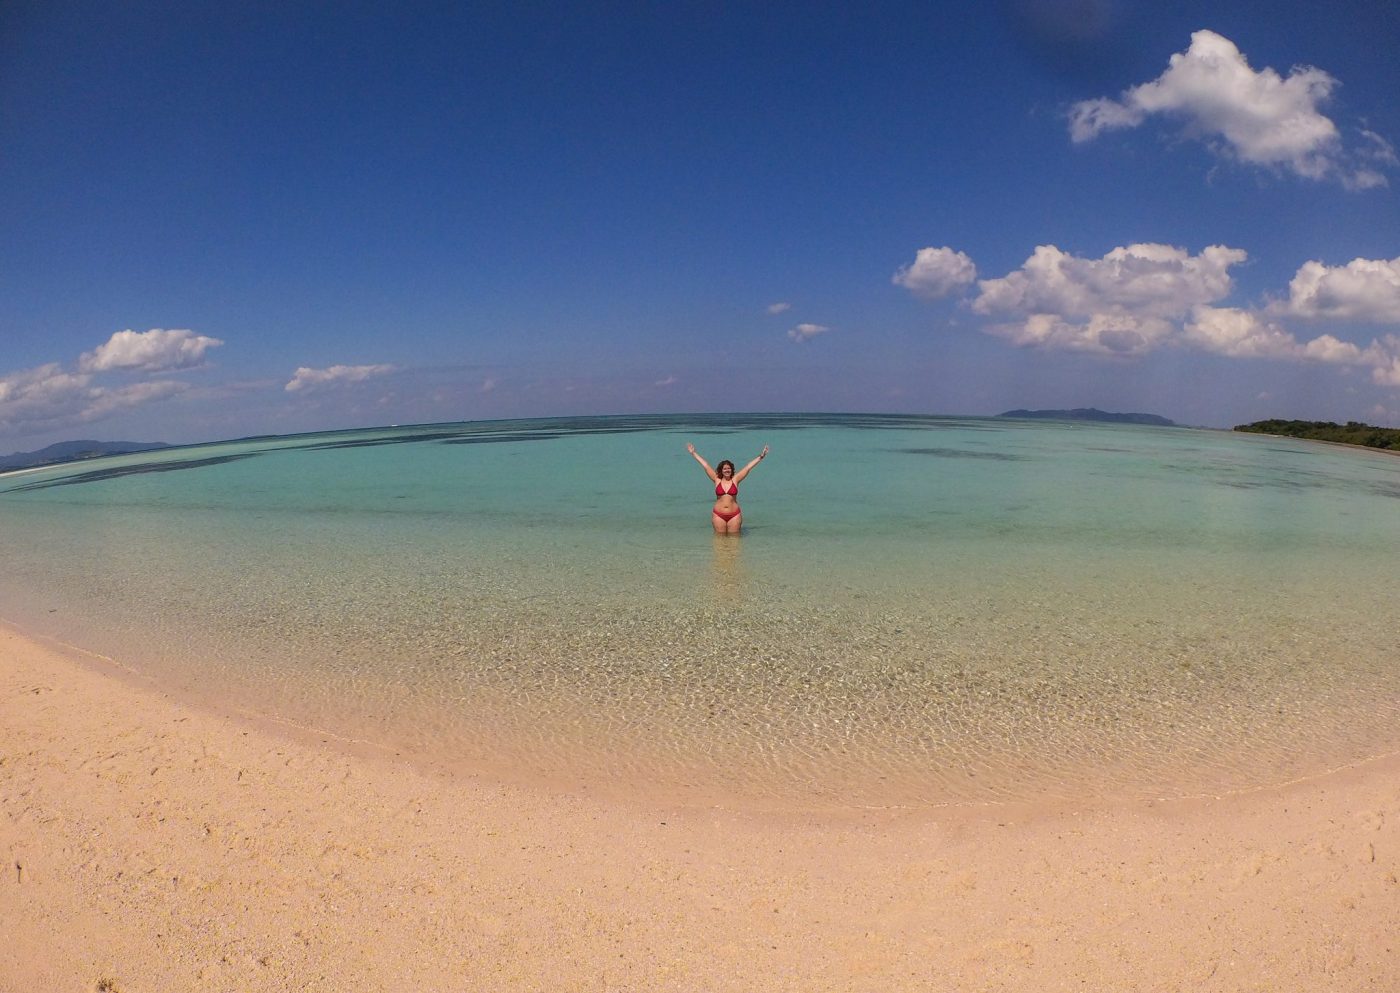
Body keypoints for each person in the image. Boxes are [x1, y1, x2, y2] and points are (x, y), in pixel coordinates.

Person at [685, 442, 769, 534]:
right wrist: (693, 453)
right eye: (724, 469)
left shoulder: (735, 479)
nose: (727, 470)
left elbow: (748, 467)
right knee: (719, 541)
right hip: (718, 515)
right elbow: (705, 465)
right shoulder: (717, 479)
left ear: (732, 469)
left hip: (734, 515)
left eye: (729, 468)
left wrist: (761, 456)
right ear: (721, 470)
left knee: (735, 541)